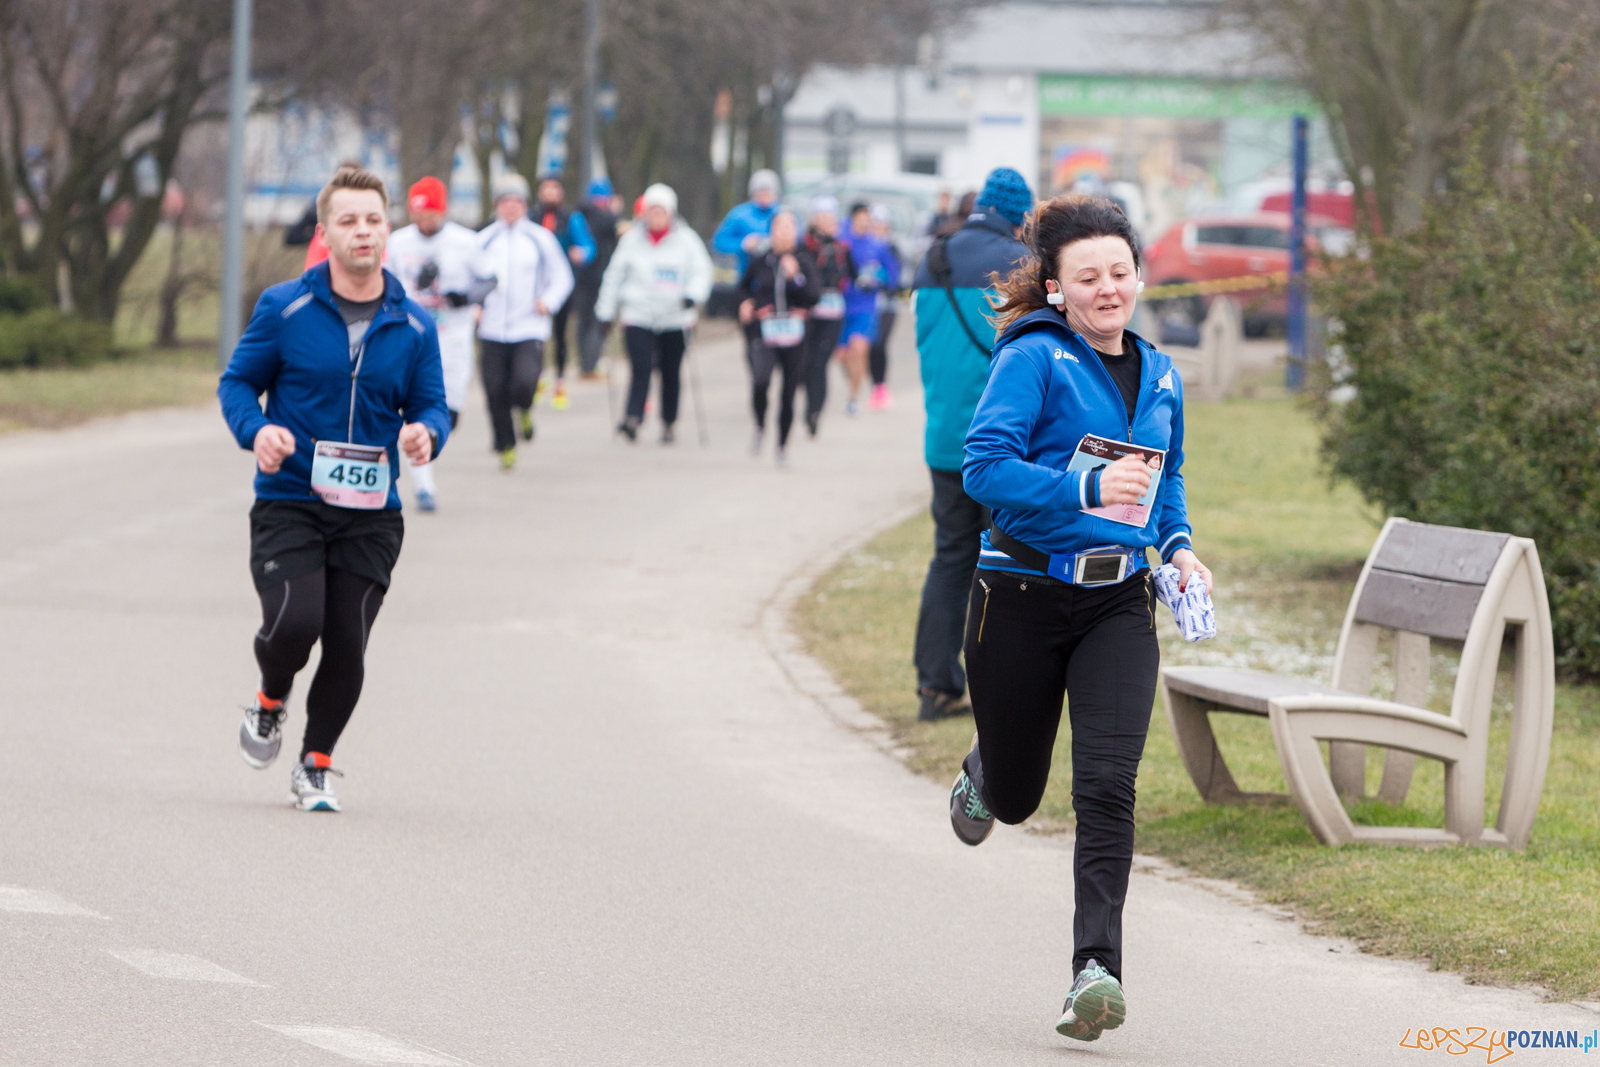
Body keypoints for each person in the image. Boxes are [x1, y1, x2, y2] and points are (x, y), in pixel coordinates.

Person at [951, 194, 1213, 1042]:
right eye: (1088, 276)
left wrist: (1176, 548)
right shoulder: (1033, 359)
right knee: (1023, 799)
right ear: (1058, 289)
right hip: (1019, 595)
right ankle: (989, 767)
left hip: (1116, 604)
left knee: (1107, 784)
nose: (1109, 289)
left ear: (1139, 275)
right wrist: (1083, 485)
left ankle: (1094, 971)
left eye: (1120, 272)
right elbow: (982, 467)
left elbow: (1164, 480)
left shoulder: (1163, 374)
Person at [221, 165, 451, 813]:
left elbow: (432, 406)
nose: (362, 231)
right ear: (325, 232)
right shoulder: (285, 307)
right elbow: (237, 383)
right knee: (295, 622)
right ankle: (271, 699)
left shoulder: (414, 326)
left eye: (374, 220)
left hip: (372, 512)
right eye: (348, 220)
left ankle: (315, 763)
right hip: (290, 498)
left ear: (389, 231)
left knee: (347, 641)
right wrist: (257, 431)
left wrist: (427, 435)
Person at [908, 166, 1031, 722]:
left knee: (950, 557)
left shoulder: (933, 259)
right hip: (1003, 449)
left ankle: (935, 687)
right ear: (1021, 215)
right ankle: (1000, 691)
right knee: (1007, 565)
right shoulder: (1023, 266)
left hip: (944, 442)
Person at [385, 176, 498, 512]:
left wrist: (466, 297)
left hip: (453, 338)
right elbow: (384, 281)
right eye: (418, 215)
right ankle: (424, 486)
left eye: (430, 214)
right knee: (415, 411)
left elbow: (491, 278)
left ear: (443, 211)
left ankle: (433, 443)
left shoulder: (465, 242)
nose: (424, 222)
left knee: (448, 412)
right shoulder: (397, 242)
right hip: (409, 336)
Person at [595, 183, 712, 444]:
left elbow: (702, 271)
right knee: (641, 367)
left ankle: (669, 421)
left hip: (675, 317)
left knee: (671, 371)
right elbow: (614, 277)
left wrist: (692, 296)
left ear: (671, 213)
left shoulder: (687, 240)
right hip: (638, 314)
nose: (656, 217)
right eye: (652, 211)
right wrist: (605, 312)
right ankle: (633, 417)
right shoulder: (630, 241)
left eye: (662, 211)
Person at [477, 173, 574, 470]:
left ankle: (526, 410)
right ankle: (506, 445)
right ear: (496, 205)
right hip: (491, 327)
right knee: (494, 389)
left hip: (529, 325)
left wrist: (549, 301)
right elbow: (468, 279)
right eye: (504, 201)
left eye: (516, 201)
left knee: (523, 384)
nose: (510, 207)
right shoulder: (483, 240)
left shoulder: (539, 238)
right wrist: (473, 306)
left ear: (524, 205)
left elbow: (563, 277)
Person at [737, 210, 818, 465]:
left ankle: (782, 445)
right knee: (760, 381)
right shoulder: (761, 260)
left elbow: (813, 296)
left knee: (788, 392)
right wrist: (744, 304)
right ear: (771, 232)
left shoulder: (804, 260)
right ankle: (760, 425)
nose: (784, 233)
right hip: (765, 331)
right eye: (779, 228)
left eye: (789, 228)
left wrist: (795, 277)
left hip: (795, 335)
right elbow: (741, 287)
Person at [533, 175, 597, 410]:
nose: (549, 193)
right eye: (545, 188)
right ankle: (538, 376)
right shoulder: (532, 217)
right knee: (536, 334)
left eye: (554, 188)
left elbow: (588, 246)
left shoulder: (571, 218)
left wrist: (582, 253)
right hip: (535, 287)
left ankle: (559, 379)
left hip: (563, 286)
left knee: (560, 334)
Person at [800, 195, 855, 437]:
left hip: (833, 311)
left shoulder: (842, 248)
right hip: (809, 311)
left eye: (831, 218)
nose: (828, 222)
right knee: (806, 362)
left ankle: (815, 411)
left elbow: (854, 274)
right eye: (823, 217)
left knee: (820, 362)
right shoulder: (804, 245)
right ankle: (809, 402)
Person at [837, 202, 895, 415]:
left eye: (866, 218)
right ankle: (852, 376)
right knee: (842, 356)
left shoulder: (877, 245)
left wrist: (878, 279)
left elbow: (892, 274)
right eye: (859, 217)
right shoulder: (842, 242)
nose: (863, 222)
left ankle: (853, 398)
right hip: (841, 306)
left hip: (866, 307)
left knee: (859, 350)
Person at [572, 177, 623, 379]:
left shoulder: (579, 215)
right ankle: (590, 366)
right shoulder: (606, 218)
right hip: (599, 278)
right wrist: (615, 212)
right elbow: (616, 229)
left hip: (581, 278)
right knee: (596, 322)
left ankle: (584, 362)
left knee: (582, 322)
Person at [712, 169, 783, 279]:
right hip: (746, 277)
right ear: (753, 192)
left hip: (777, 278)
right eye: (761, 191)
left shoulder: (784, 214)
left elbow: (799, 240)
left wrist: (777, 242)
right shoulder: (739, 215)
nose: (765, 195)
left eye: (768, 191)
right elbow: (718, 242)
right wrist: (743, 244)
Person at [865, 203, 903, 410]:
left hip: (888, 306)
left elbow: (898, 276)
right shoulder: (865, 245)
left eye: (882, 224)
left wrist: (886, 284)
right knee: (869, 345)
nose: (879, 228)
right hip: (869, 305)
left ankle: (880, 387)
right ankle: (875, 385)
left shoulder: (892, 247)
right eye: (875, 224)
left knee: (879, 344)